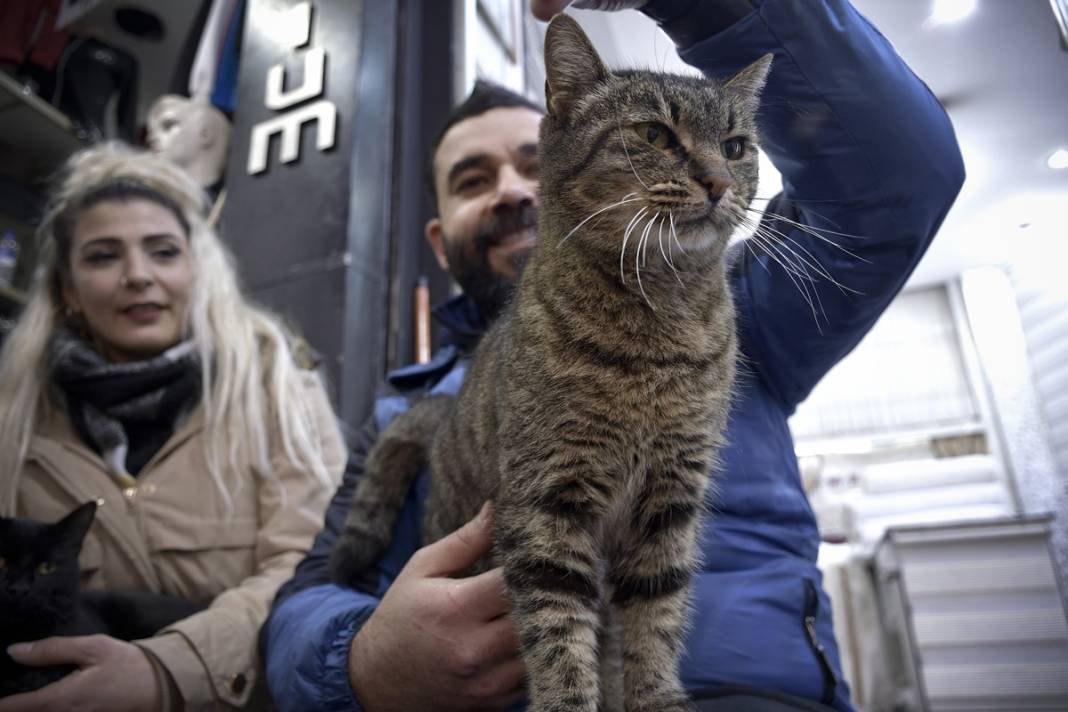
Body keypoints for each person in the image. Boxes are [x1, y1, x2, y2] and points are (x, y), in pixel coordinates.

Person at [263, 0, 965, 710]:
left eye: (530, 164)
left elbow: (906, 178)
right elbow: (302, 602)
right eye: (473, 181)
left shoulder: (755, 301)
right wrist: (358, 657)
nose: (514, 192)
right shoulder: (395, 409)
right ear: (440, 241)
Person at [0, 143, 346, 711]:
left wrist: (168, 670)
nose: (138, 276)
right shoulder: (17, 424)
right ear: (68, 292)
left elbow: (311, 569)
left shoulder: (278, 390)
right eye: (103, 256)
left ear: (195, 270)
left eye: (162, 252)